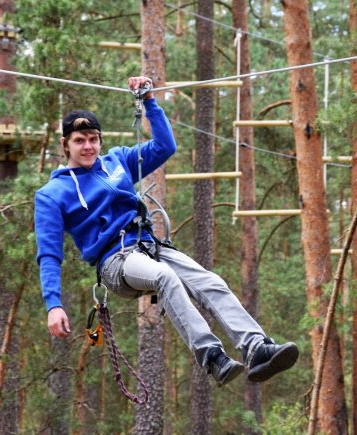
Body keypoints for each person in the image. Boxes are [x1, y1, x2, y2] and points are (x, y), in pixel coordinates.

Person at [34, 76, 298, 386]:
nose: (88, 146)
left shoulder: (117, 161)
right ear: (65, 145)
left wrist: (149, 102)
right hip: (115, 261)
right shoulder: (52, 194)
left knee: (209, 281)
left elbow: (164, 146)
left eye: (93, 138)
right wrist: (53, 305)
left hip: (149, 247)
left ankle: (256, 347)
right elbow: (49, 254)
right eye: (80, 141)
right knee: (164, 278)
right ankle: (211, 355)